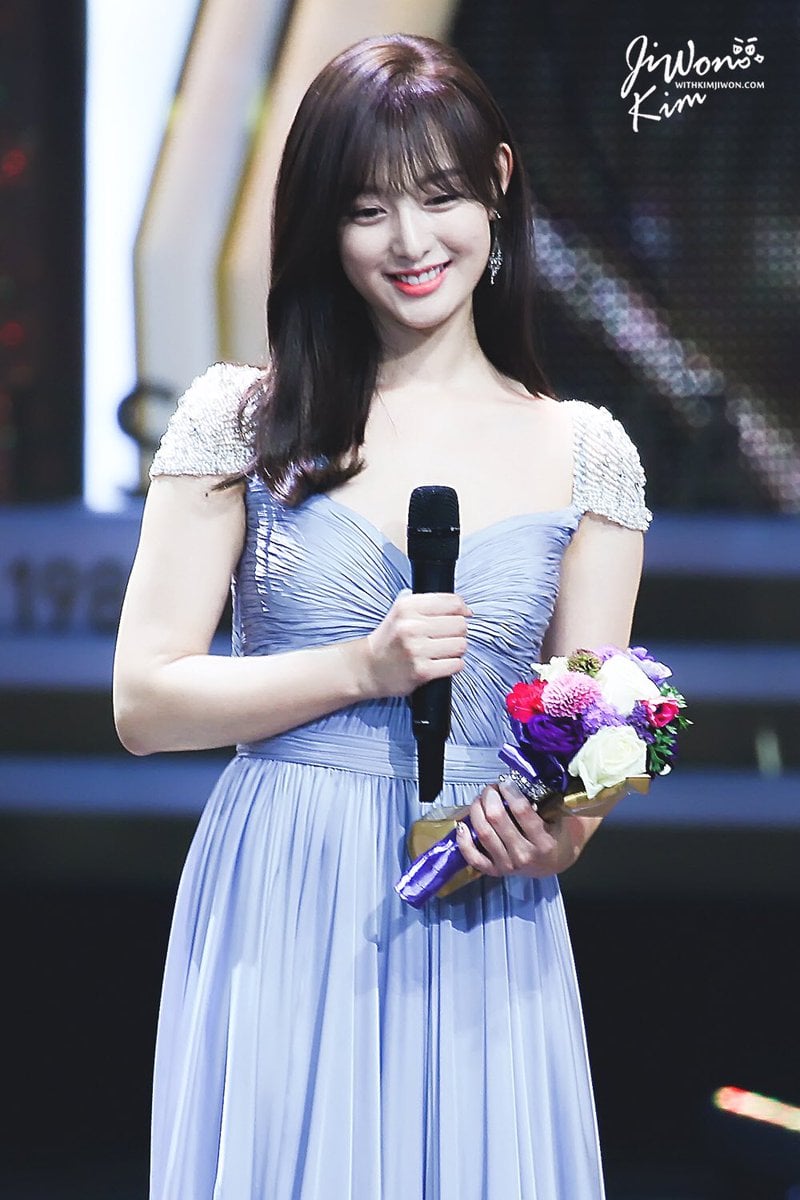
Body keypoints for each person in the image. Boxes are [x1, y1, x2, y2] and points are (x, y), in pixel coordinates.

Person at [113, 32, 650, 1200]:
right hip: (281, 894)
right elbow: (146, 703)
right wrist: (360, 668)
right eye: (367, 210)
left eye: (439, 197)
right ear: (323, 222)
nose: (410, 242)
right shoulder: (239, 421)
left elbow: (593, 737)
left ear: (496, 183)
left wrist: (558, 835)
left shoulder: (585, 455)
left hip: (474, 901)